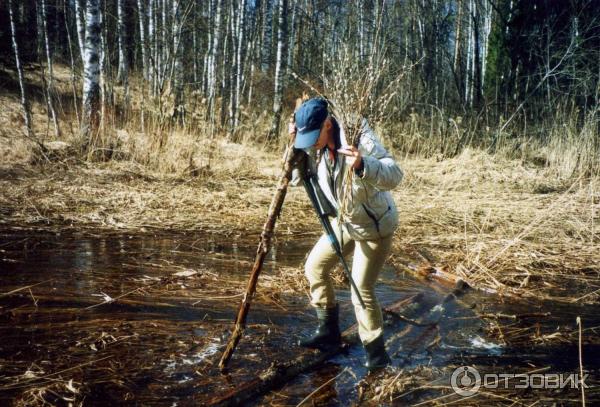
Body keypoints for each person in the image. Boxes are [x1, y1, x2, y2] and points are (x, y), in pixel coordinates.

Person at [289, 97, 403, 371]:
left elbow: (395, 174)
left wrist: (363, 165)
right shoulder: (314, 146)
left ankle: (377, 356)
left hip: (374, 227)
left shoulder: (358, 137)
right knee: (314, 266)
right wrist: (293, 148)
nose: (310, 144)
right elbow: (297, 178)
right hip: (345, 221)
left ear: (328, 124)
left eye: (313, 137)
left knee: (360, 288)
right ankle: (328, 333)